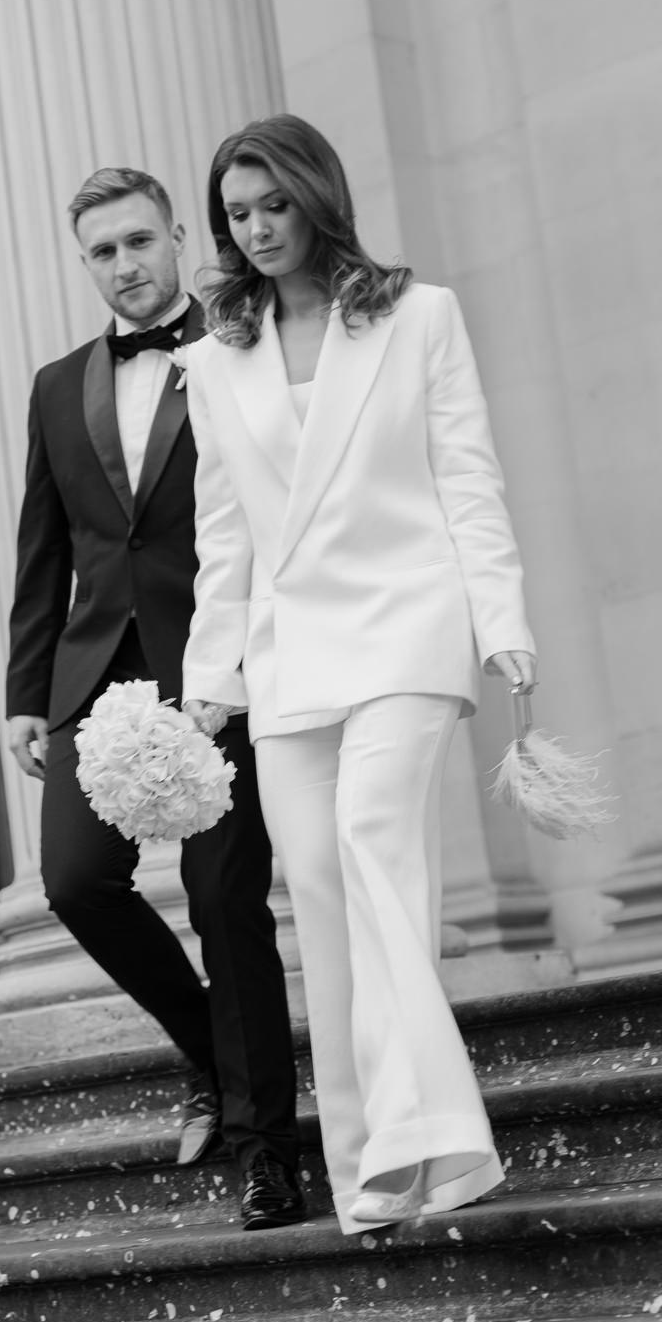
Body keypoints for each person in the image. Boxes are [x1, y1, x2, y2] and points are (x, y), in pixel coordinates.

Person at [180, 117, 536, 1233]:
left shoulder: (415, 317)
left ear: (312, 196)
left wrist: (503, 623)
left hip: (407, 625)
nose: (254, 229)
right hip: (292, 657)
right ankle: (366, 1169)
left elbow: (466, 475)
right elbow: (224, 534)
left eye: (269, 205)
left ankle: (431, 1138)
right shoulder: (213, 356)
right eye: (236, 215)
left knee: (373, 844)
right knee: (321, 892)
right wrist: (209, 679)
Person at [5, 166, 304, 1230]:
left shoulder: (239, 352)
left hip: (218, 665)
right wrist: (26, 692)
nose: (124, 267)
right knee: (77, 883)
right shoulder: (55, 386)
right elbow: (44, 551)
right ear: (83, 262)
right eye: (102, 252)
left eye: (139, 242)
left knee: (227, 907)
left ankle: (269, 1153)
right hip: (96, 677)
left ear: (178, 238)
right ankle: (214, 1049)